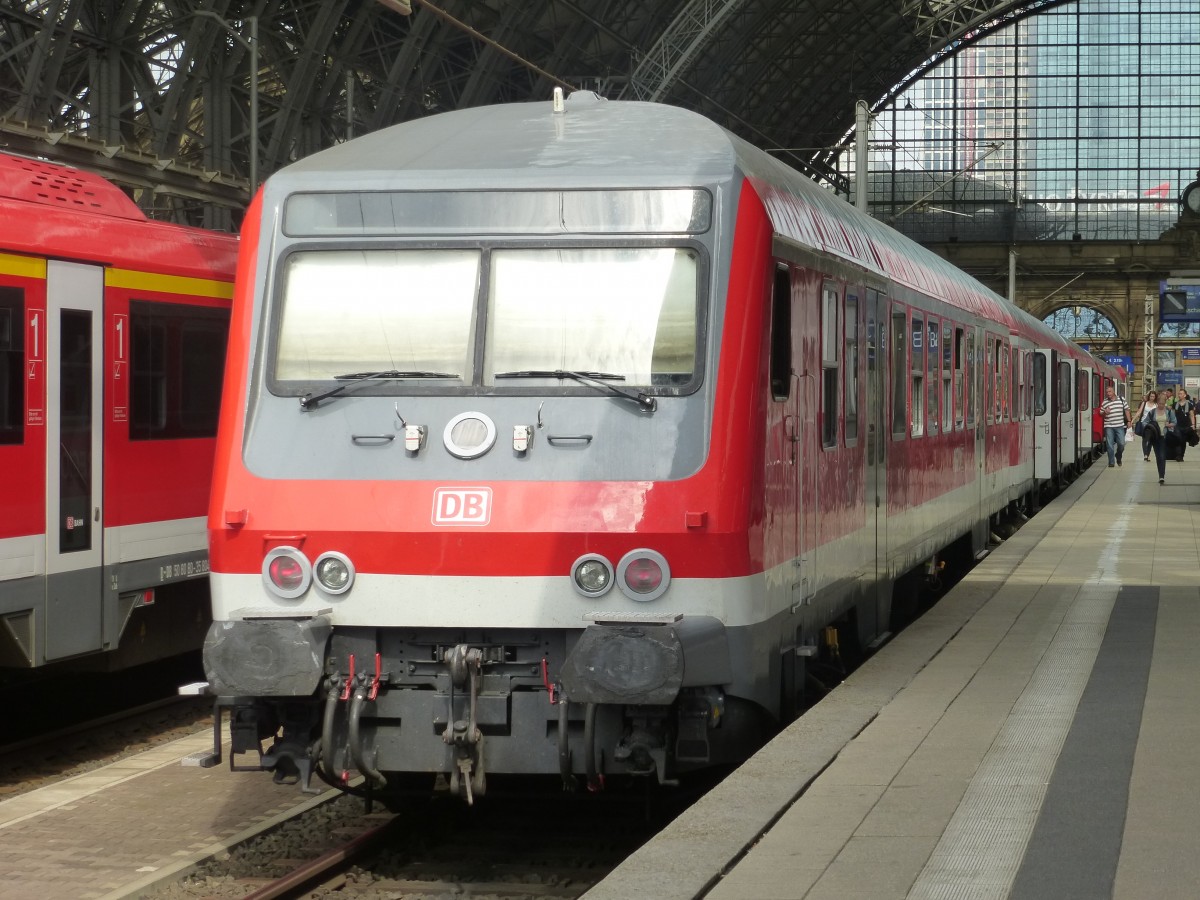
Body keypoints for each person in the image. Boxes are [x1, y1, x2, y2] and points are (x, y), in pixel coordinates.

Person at [1141, 392, 1177, 484]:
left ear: (1165, 403)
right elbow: (1145, 422)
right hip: (1155, 437)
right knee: (1158, 456)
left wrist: (1169, 425)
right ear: (1157, 403)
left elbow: (1174, 422)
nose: (1161, 405)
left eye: (1163, 404)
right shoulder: (1152, 412)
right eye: (1159, 404)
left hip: (1165, 436)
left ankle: (1162, 476)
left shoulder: (1169, 411)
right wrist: (1150, 426)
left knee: (1162, 456)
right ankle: (1161, 475)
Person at [1098, 384, 1130, 467]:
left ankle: (1118, 456)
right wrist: (1105, 412)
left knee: (1121, 444)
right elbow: (1100, 413)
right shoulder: (1105, 402)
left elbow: (1126, 410)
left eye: (1110, 391)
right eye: (1107, 392)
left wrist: (1129, 421)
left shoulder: (1121, 399)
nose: (1108, 393)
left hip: (1120, 426)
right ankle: (1111, 462)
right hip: (1109, 426)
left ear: (1113, 392)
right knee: (1109, 445)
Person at [1174, 388, 1197, 461]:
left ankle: (1181, 456)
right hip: (1177, 425)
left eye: (1181, 394)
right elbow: (1172, 414)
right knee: (1178, 440)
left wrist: (1193, 425)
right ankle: (1178, 455)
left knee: (1183, 441)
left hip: (1186, 426)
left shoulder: (1189, 404)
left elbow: (1191, 415)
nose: (1179, 395)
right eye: (1179, 394)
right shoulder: (1175, 404)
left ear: (1185, 395)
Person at [1135, 390, 1157, 460]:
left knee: (1150, 439)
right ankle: (1145, 454)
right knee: (1145, 439)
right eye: (1151, 396)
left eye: (1153, 396)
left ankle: (1147, 453)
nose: (1152, 398)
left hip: (1153, 424)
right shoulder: (1144, 403)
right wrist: (1132, 420)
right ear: (1149, 396)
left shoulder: (1156, 405)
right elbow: (1139, 412)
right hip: (1144, 423)